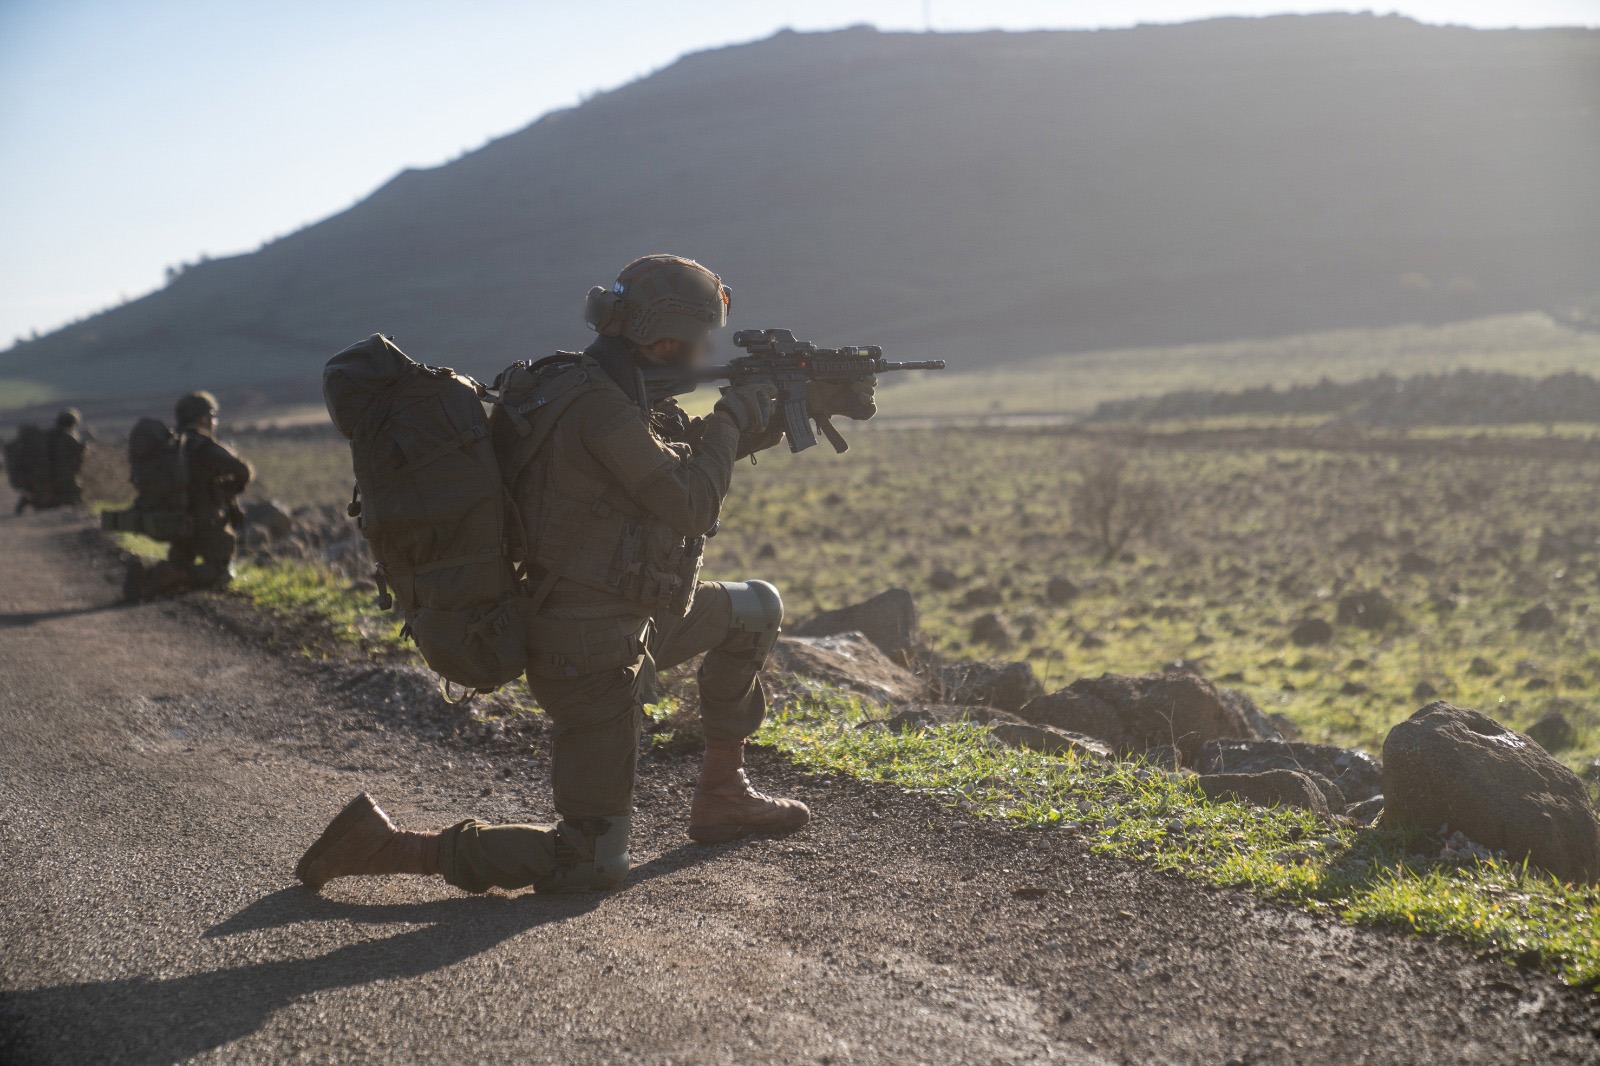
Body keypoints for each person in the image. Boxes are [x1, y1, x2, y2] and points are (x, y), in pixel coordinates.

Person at [297, 254, 877, 894]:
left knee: (755, 610)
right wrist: (733, 416)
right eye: (699, 339)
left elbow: (681, 454)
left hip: (632, 617)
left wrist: (803, 402)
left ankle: (724, 792)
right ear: (664, 340)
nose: (705, 353)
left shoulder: (584, 385)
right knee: (592, 861)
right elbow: (690, 501)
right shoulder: (599, 409)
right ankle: (391, 846)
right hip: (586, 654)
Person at [124, 391, 253, 600]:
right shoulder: (204, 446)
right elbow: (243, 471)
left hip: (178, 523)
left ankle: (150, 575)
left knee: (180, 560)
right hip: (207, 523)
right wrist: (229, 488)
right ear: (203, 418)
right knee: (221, 573)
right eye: (212, 417)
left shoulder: (170, 447)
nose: (214, 422)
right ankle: (173, 575)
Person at [37, 408, 87, 509]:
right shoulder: (66, 437)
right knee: (74, 488)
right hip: (64, 469)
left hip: (52, 469)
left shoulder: (51, 435)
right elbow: (78, 449)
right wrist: (86, 443)